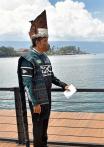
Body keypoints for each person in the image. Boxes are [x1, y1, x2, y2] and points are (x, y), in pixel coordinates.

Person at [17, 10, 69, 147]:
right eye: (45, 41)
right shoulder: (28, 59)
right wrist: (34, 103)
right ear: (38, 42)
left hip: (47, 98)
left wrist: (63, 85)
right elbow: (27, 84)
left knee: (44, 128)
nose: (48, 43)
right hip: (37, 102)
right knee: (38, 129)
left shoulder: (45, 57)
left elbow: (50, 76)